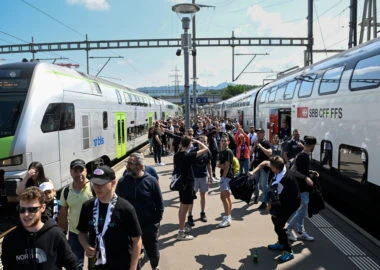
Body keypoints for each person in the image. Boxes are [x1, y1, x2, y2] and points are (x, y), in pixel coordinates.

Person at [77, 166, 142, 270]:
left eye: (101, 184)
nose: (97, 187)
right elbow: (82, 233)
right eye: (95, 183)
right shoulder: (87, 206)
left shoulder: (126, 208)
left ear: (113, 183)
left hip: (122, 265)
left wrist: (133, 267)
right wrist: (85, 246)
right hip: (96, 265)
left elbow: (137, 240)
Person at [1, 186, 78, 269]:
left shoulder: (56, 235)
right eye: (22, 209)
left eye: (32, 209)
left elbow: (72, 264)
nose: (26, 214)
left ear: (43, 208)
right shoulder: (10, 240)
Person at [116, 153, 164, 270]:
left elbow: (159, 203)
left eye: (130, 164)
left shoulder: (151, 181)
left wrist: (155, 223)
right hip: (129, 226)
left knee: (153, 252)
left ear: (140, 166)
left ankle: (155, 266)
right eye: (127, 163)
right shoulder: (122, 182)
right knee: (132, 253)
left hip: (148, 225)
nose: (127, 166)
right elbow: (116, 203)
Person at [249, 156, 301, 262]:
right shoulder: (282, 166)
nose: (270, 168)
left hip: (291, 203)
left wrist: (269, 207)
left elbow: (274, 198)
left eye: (271, 167)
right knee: (275, 220)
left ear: (275, 168)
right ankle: (281, 242)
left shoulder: (281, 180)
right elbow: (264, 162)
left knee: (278, 224)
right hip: (286, 199)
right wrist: (253, 172)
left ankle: (288, 250)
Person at [58, 159, 94, 269]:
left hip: (93, 233)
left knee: (95, 266)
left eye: (81, 170)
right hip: (74, 234)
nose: (78, 174)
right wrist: (62, 234)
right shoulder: (66, 191)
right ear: (70, 172)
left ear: (86, 171)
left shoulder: (94, 188)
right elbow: (63, 214)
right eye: (75, 171)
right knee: (75, 266)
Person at [174, 135, 209, 240]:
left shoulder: (177, 155)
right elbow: (206, 149)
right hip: (188, 184)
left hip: (181, 184)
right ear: (189, 144)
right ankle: (181, 232)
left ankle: (182, 227)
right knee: (184, 208)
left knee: (181, 207)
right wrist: (197, 141)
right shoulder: (188, 155)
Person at [286, 136, 318, 242]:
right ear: (312, 146)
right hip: (302, 187)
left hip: (302, 187)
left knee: (303, 210)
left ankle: (301, 232)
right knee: (302, 211)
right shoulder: (303, 156)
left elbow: (302, 169)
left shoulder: (303, 155)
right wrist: (306, 178)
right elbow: (293, 170)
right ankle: (289, 229)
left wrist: (311, 172)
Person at [188, 135, 213, 224]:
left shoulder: (207, 153)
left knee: (203, 196)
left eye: (204, 141)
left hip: (203, 176)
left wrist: (211, 176)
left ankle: (202, 213)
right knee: (192, 196)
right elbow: (188, 164)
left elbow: (209, 165)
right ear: (197, 142)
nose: (202, 143)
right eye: (201, 141)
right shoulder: (193, 151)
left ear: (206, 143)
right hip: (194, 177)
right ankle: (190, 215)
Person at [251, 128, 272, 207]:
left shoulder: (266, 143)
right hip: (256, 166)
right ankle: (256, 196)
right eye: (257, 133)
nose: (258, 134)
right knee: (255, 183)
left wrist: (260, 146)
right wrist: (254, 146)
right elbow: (250, 153)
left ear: (263, 134)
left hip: (264, 167)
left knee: (263, 184)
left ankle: (264, 202)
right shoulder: (255, 143)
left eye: (259, 133)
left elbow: (270, 153)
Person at [217, 135, 234, 228]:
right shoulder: (222, 151)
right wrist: (220, 165)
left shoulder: (228, 151)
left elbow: (226, 166)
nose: (223, 142)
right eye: (222, 140)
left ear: (228, 142)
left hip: (226, 177)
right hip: (225, 177)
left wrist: (223, 179)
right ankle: (228, 216)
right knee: (227, 197)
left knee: (223, 197)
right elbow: (219, 164)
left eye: (225, 141)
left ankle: (227, 218)